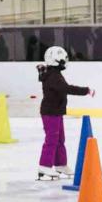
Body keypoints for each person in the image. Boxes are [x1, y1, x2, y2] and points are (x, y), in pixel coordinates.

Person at [36, 46, 94, 182]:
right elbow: (66, 88)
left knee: (60, 139)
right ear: (55, 61)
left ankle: (60, 164)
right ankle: (44, 166)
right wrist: (86, 90)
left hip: (56, 111)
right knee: (52, 139)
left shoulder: (53, 73)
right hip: (50, 113)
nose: (65, 62)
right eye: (62, 60)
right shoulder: (53, 76)